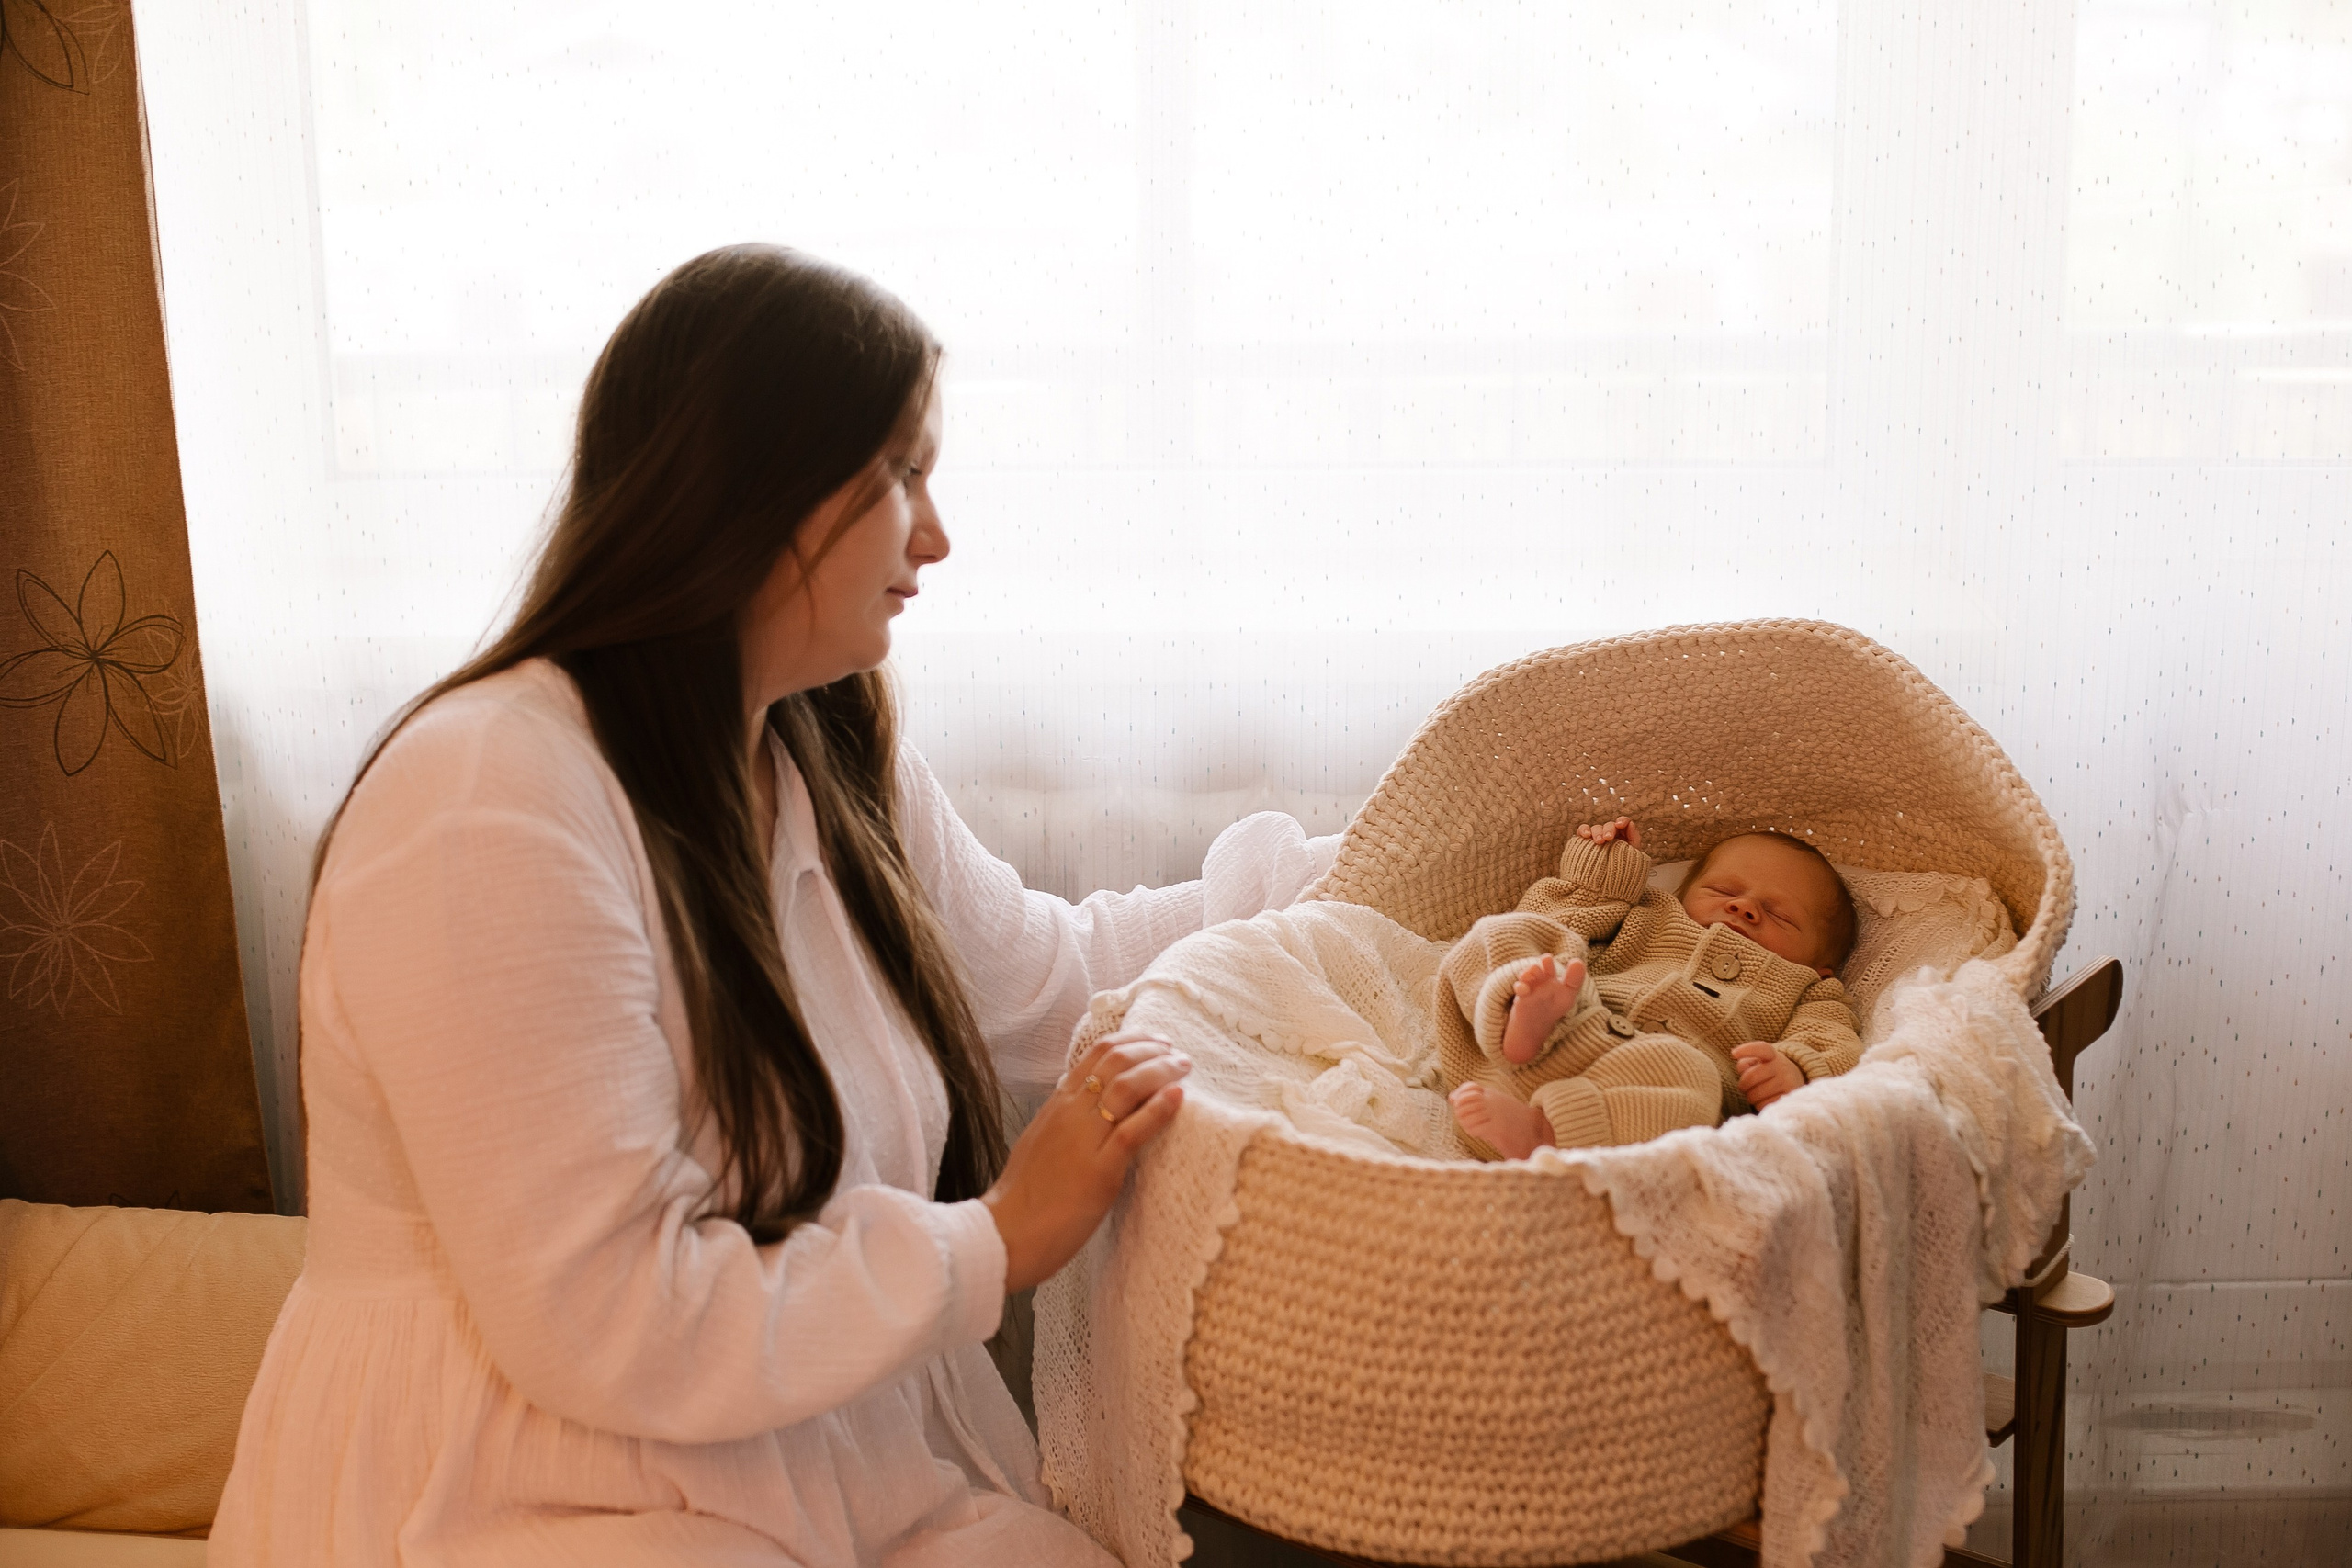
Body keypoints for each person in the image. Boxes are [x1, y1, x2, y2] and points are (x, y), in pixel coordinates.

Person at [209, 245, 1329, 1566]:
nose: (936, 533)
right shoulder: (485, 798)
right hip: (518, 1487)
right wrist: (996, 1239)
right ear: (755, 496)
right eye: (898, 475)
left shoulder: (815, 752)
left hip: (802, 1458)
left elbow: (1057, 981)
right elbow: (610, 1315)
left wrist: (1365, 880)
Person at [1443, 817, 1862, 1160]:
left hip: (1634, 1108)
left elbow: (1833, 1045)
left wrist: (1796, 1071)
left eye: (1778, 915)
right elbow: (1563, 921)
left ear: (1821, 967)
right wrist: (1601, 875)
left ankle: (1544, 1129)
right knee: (1502, 932)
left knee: (1694, 1080)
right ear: (1679, 895)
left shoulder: (1809, 991)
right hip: (1556, 1038)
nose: (1743, 906)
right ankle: (1519, 1018)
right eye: (1723, 891)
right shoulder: (1652, 916)